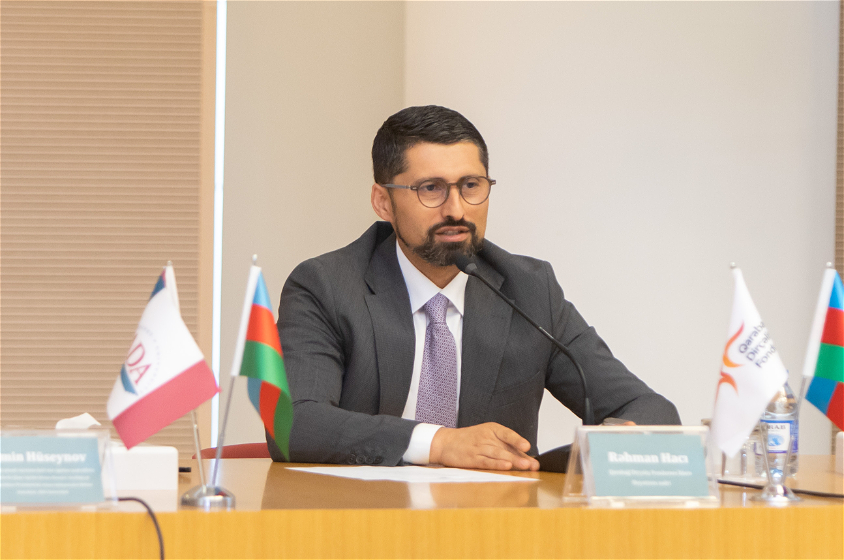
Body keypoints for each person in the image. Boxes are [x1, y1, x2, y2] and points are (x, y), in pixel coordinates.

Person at [267, 105, 680, 470]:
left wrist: (614, 445)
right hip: (364, 519)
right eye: (431, 188)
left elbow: (650, 410)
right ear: (383, 202)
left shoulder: (529, 290)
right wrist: (440, 443)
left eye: (470, 186)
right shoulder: (326, 286)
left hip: (491, 523)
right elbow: (294, 423)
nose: (456, 209)